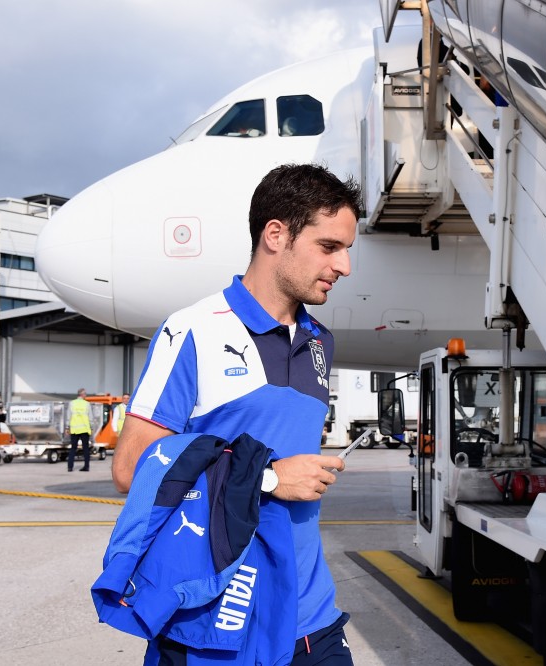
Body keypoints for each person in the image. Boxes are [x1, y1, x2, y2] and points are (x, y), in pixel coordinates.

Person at [112, 163, 362, 664]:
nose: (345, 266)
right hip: (215, 624)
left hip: (311, 621)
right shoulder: (193, 330)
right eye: (330, 247)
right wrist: (268, 479)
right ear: (276, 235)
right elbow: (130, 466)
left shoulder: (320, 342)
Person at [66, 388, 92, 472]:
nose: (86, 395)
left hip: (74, 429)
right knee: (85, 449)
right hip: (84, 429)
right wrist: (91, 427)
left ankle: (70, 467)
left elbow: (68, 416)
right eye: (85, 394)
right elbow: (90, 417)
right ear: (81, 394)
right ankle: (86, 466)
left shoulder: (72, 403)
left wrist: (67, 427)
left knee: (73, 448)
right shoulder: (87, 404)